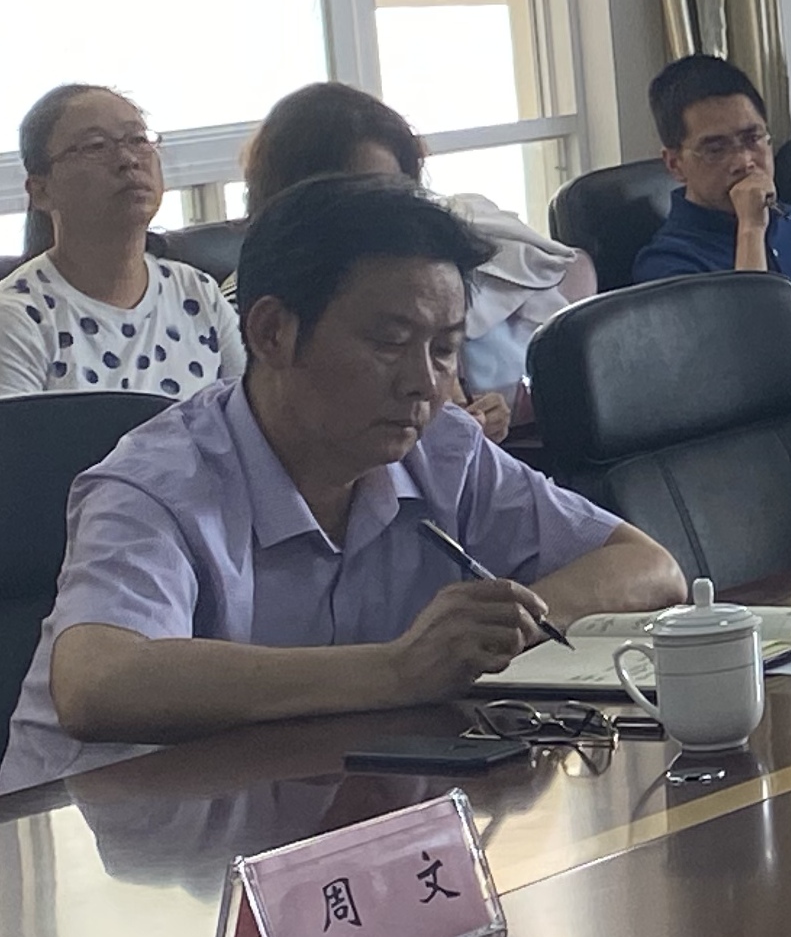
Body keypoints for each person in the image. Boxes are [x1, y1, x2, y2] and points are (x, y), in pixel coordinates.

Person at [6, 175, 685, 792]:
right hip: (91, 840)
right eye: (389, 342)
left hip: (305, 815)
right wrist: (399, 669)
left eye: (444, 348)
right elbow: (97, 682)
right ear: (272, 332)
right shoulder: (157, 482)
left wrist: (500, 627)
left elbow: (647, 567)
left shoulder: (441, 449)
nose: (424, 382)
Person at [244, 82, 574, 437]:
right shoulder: (239, 315)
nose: (426, 383)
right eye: (390, 342)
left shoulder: (415, 303)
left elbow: (452, 425)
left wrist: (475, 427)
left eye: (402, 197)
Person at [627, 55, 791, 418]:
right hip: (779, 429)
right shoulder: (667, 265)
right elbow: (747, 374)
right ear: (675, 164)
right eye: (715, 149)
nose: (744, 161)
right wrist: (751, 228)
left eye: (753, 139)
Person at [1, 85, 242, 400]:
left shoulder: (198, 293)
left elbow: (252, 415)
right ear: (41, 191)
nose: (128, 160)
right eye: (96, 146)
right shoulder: (17, 318)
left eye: (138, 140)